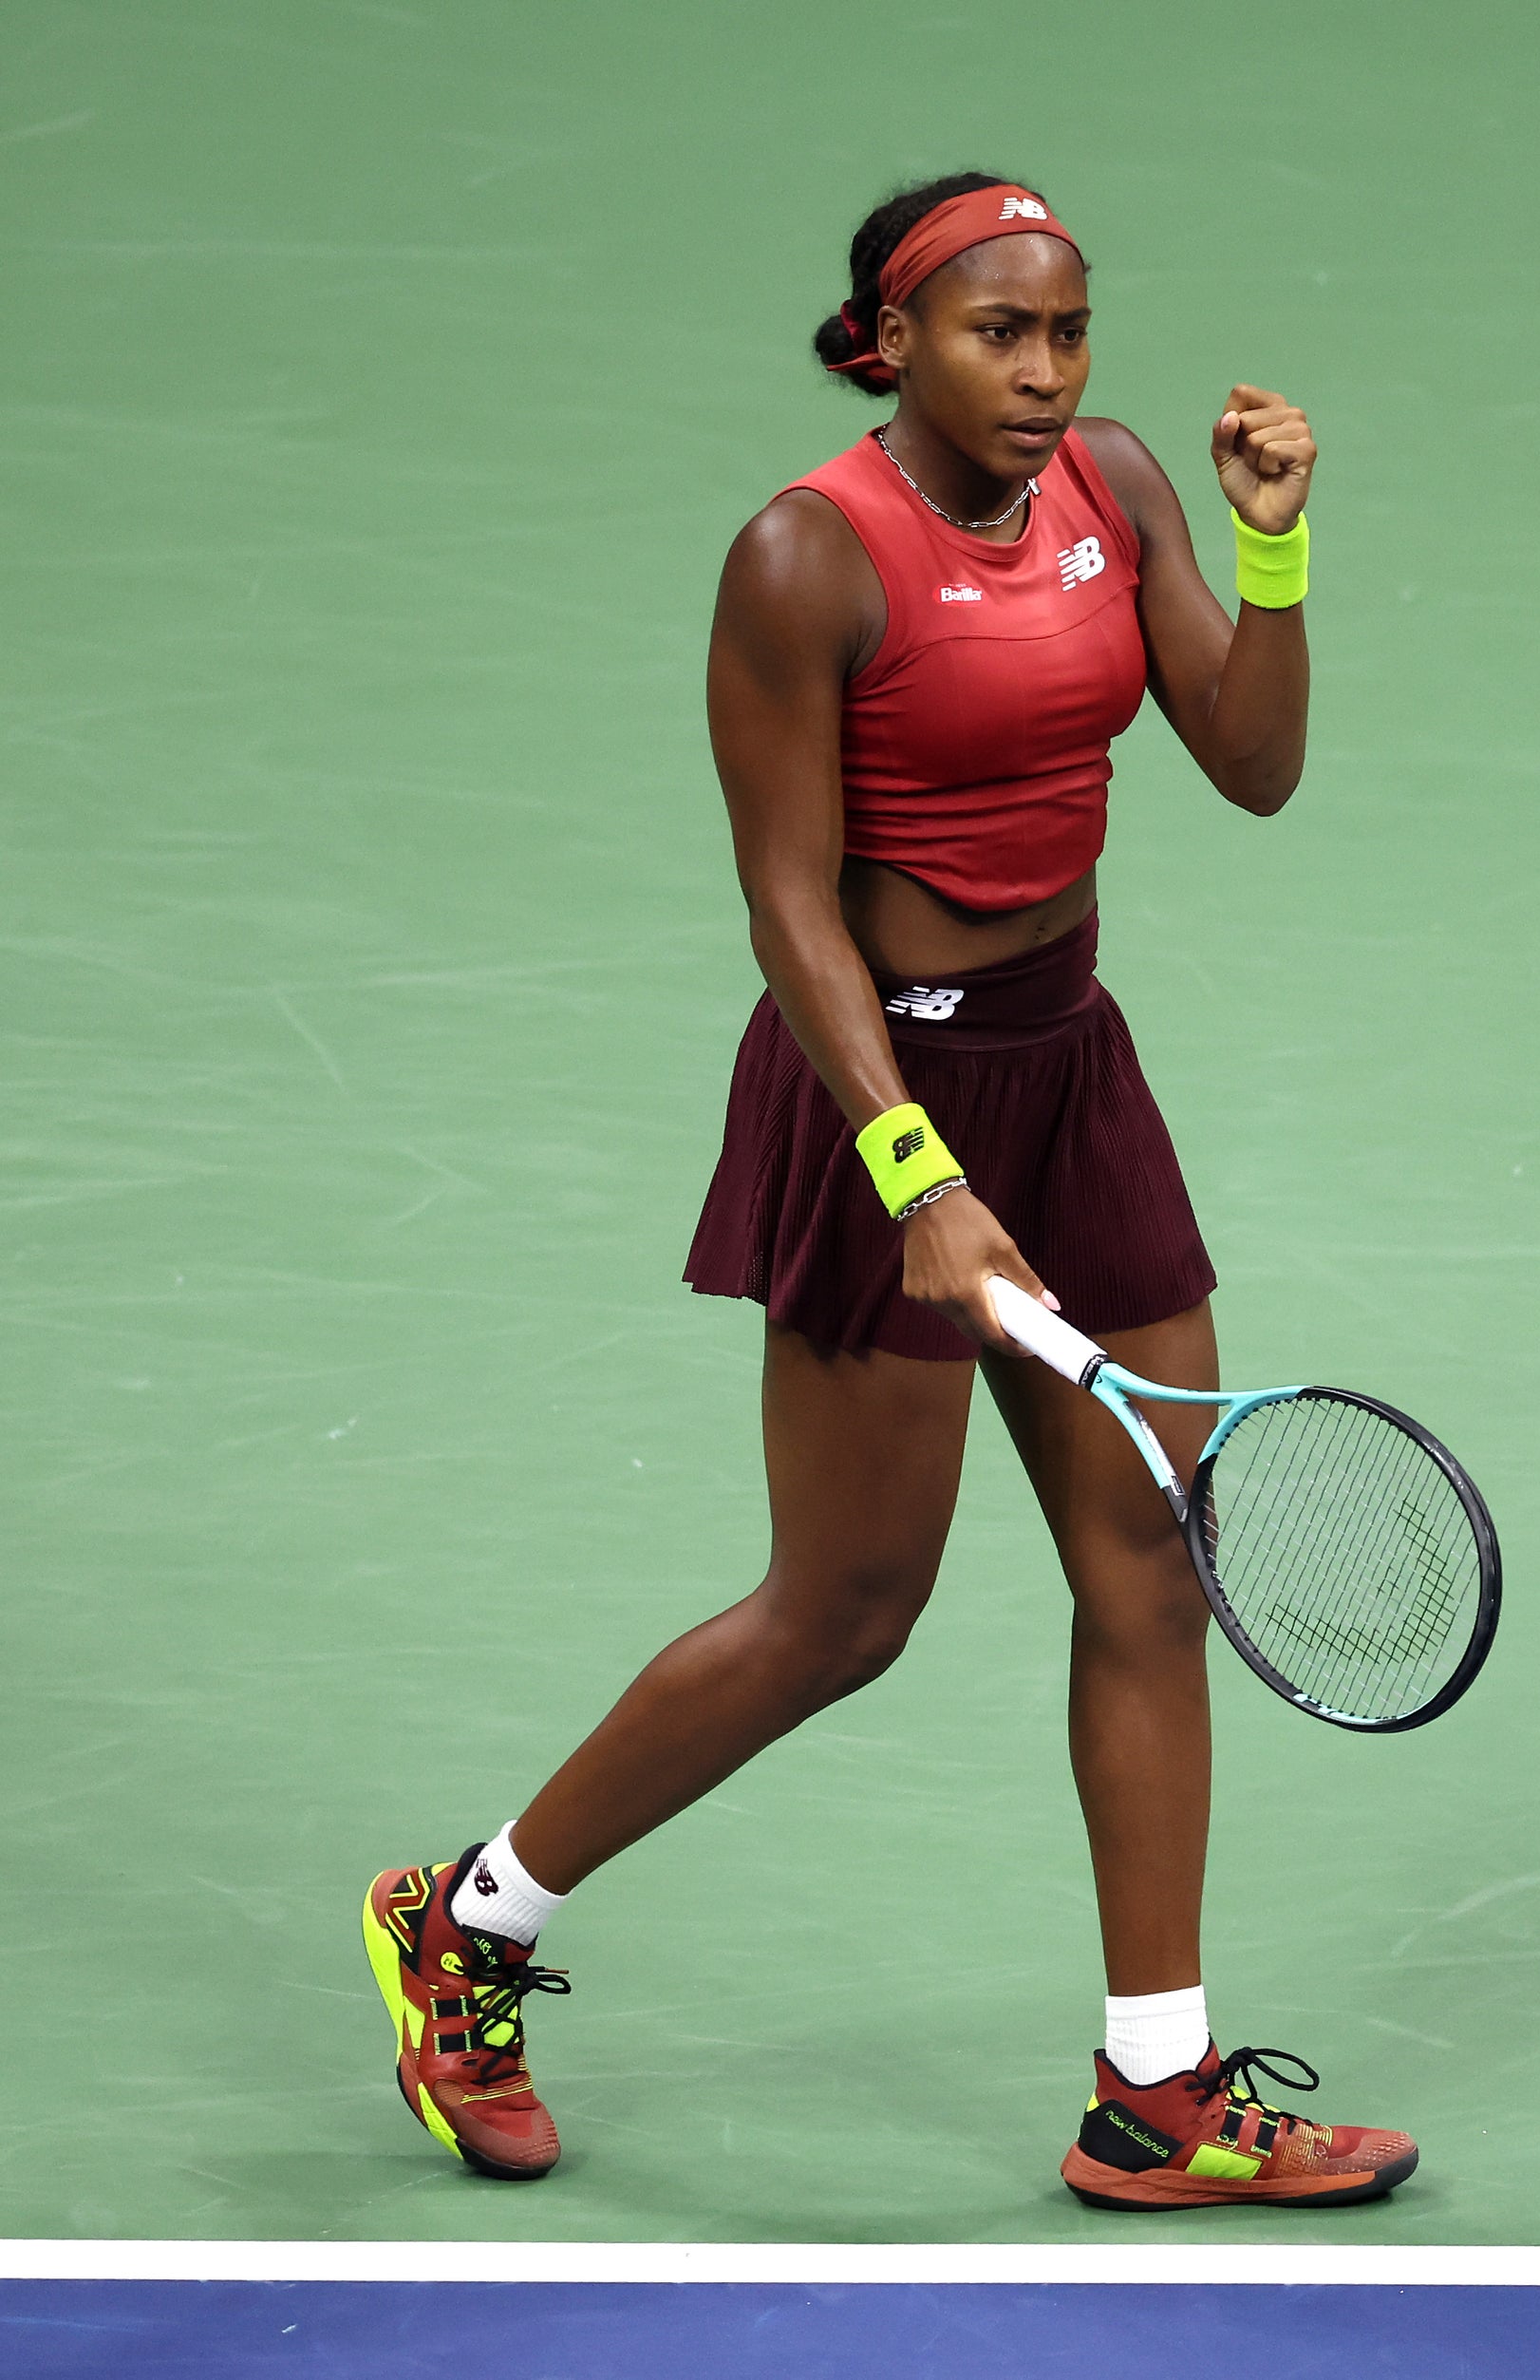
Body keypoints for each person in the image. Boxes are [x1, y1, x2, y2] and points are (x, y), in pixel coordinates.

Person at [363, 171, 1418, 2210]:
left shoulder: (1116, 484)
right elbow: (783, 897)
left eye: (1064, 331)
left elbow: (1255, 763)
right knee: (844, 1606)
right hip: (887, 1088)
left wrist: (1272, 554)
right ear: (888, 344)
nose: (1041, 374)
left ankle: (1157, 2087)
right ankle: (464, 1920)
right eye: (993, 334)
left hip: (1068, 1068)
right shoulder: (801, 558)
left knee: (1149, 1567)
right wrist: (911, 1168)